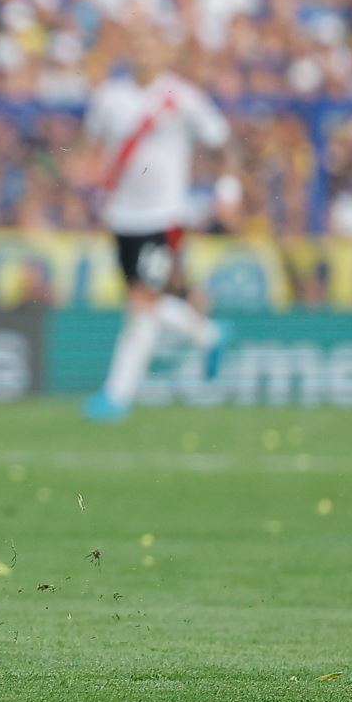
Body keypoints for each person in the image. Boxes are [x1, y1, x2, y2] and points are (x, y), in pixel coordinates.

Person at [81, 27, 231, 421]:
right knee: (141, 300)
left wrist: (227, 190)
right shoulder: (110, 97)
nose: (144, 51)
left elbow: (220, 137)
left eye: (152, 43)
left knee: (141, 303)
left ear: (164, 51)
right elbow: (94, 148)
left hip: (164, 216)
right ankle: (208, 334)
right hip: (121, 216)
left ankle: (116, 396)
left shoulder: (180, 97)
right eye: (138, 43)